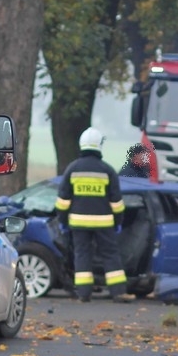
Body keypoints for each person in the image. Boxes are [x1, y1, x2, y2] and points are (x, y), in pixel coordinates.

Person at [56, 127, 131, 302]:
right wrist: (118, 221)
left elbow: (62, 201)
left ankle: (83, 294)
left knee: (82, 255)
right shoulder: (107, 170)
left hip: (78, 223)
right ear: (99, 145)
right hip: (104, 223)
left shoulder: (72, 169)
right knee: (110, 254)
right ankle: (118, 292)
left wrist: (63, 221)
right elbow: (117, 203)